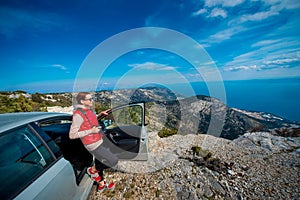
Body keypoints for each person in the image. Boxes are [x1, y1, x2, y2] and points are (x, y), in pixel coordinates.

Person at [69, 92, 118, 193]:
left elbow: (88, 122)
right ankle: (92, 170)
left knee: (100, 160)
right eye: (89, 99)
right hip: (92, 144)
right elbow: (72, 135)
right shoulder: (78, 115)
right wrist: (91, 131)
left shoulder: (87, 111)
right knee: (113, 160)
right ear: (82, 101)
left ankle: (101, 184)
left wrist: (100, 115)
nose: (92, 101)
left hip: (98, 140)